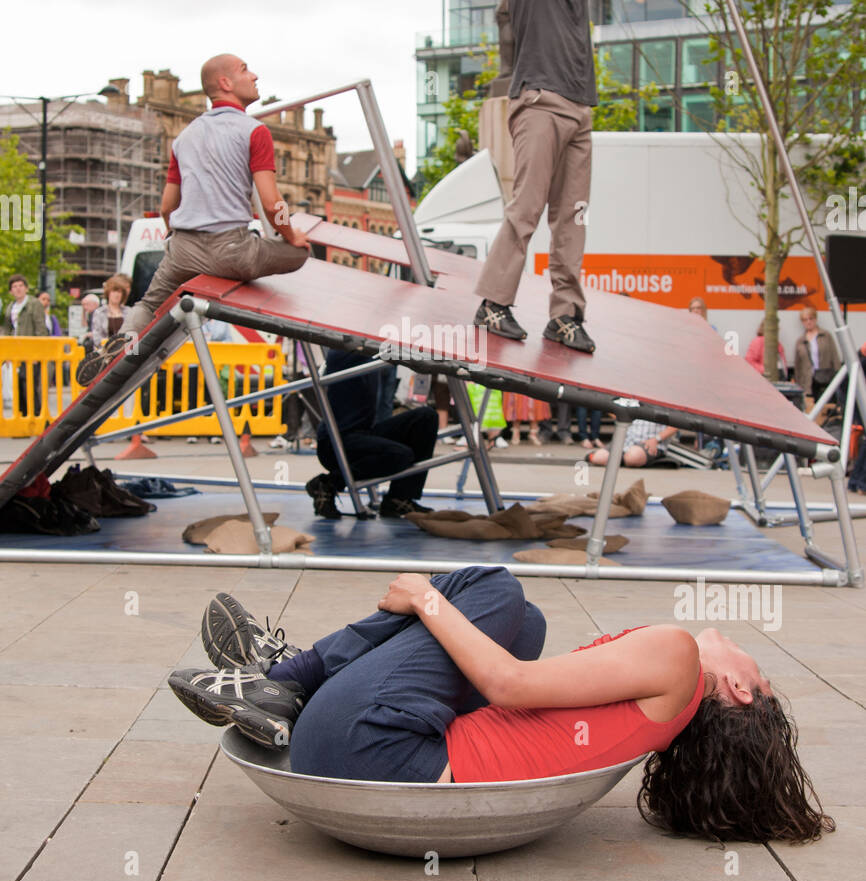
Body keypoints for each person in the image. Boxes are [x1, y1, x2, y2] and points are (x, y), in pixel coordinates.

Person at [167, 568, 833, 843]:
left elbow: (509, 686)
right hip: (368, 752)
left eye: (763, 675)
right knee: (525, 621)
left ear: (745, 692)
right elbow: (517, 682)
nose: (753, 657)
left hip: (367, 750)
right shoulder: (662, 714)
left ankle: (285, 676)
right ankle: (282, 679)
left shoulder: (678, 657)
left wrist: (429, 597)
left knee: (493, 588)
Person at [474, 0, 648, 354]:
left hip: (579, 111)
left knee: (573, 219)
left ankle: (565, 316)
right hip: (539, 103)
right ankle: (494, 302)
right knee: (526, 208)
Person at [76, 54, 310, 385]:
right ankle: (226, 279)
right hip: (232, 249)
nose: (254, 75)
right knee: (299, 254)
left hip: (183, 247)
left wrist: (176, 238)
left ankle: (123, 340)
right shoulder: (254, 131)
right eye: (246, 70)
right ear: (226, 83)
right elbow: (273, 205)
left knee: (148, 304)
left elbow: (167, 207)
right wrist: (291, 235)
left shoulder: (184, 137)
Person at [306, 348, 438, 519]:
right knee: (400, 455)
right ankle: (329, 483)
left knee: (425, 417)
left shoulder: (372, 351)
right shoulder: (344, 350)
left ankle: (398, 499)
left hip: (363, 433)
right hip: (335, 441)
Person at [1, 275, 47, 415]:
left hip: (31, 351)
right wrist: (7, 353)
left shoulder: (34, 304)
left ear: (26, 288)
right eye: (14, 287)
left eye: (21, 286)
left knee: (30, 385)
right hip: (16, 352)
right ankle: (23, 417)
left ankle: (36, 416)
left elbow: (41, 329)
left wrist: (38, 353)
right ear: (11, 291)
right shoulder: (10, 307)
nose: (18, 289)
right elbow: (8, 330)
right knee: (18, 385)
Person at [793, 305, 841, 405]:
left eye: (811, 318)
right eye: (805, 320)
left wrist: (839, 379)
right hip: (808, 382)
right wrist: (798, 384)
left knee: (827, 408)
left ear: (815, 319)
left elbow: (834, 357)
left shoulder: (826, 336)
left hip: (825, 380)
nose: (808, 322)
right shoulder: (801, 341)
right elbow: (798, 365)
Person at [588, 417, 677, 468]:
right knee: (598, 458)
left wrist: (656, 439)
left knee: (633, 457)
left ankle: (622, 460)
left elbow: (675, 424)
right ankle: (623, 459)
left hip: (651, 442)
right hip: (626, 440)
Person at [90, 275, 130, 343]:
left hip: (125, 350)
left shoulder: (129, 311)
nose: (116, 294)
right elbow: (96, 338)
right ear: (108, 292)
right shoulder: (99, 312)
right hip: (105, 350)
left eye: (120, 292)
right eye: (114, 291)